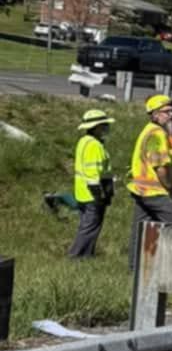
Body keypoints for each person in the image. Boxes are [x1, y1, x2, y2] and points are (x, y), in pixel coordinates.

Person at [128, 94, 172, 230]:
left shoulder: (152, 131)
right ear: (155, 115)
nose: (171, 115)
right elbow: (160, 169)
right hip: (154, 192)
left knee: (143, 232)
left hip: (143, 190)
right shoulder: (156, 135)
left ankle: (137, 252)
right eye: (167, 112)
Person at [68, 109, 115, 259]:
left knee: (87, 226)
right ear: (96, 127)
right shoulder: (94, 145)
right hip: (92, 193)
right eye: (104, 125)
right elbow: (93, 172)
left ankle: (86, 255)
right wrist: (100, 194)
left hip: (82, 192)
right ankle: (76, 256)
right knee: (90, 228)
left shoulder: (84, 141)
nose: (106, 128)